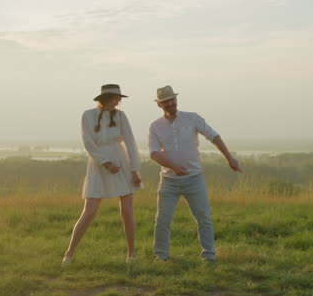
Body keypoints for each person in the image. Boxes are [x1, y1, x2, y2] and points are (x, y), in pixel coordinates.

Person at [148, 85, 241, 262]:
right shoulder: (155, 126)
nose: (170, 103)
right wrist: (174, 167)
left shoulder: (192, 118)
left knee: (203, 217)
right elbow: (153, 153)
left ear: (176, 99)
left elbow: (214, 137)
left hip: (194, 178)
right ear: (159, 105)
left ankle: (208, 256)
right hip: (168, 181)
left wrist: (230, 158)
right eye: (165, 101)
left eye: (171, 99)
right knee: (162, 221)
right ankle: (160, 256)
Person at [63, 84, 142, 265]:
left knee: (127, 211)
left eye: (118, 99)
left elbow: (130, 142)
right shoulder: (88, 115)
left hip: (121, 162)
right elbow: (89, 142)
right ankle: (69, 253)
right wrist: (105, 162)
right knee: (89, 211)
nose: (117, 102)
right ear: (105, 99)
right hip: (98, 163)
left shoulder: (121, 116)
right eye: (115, 99)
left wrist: (134, 170)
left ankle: (131, 254)